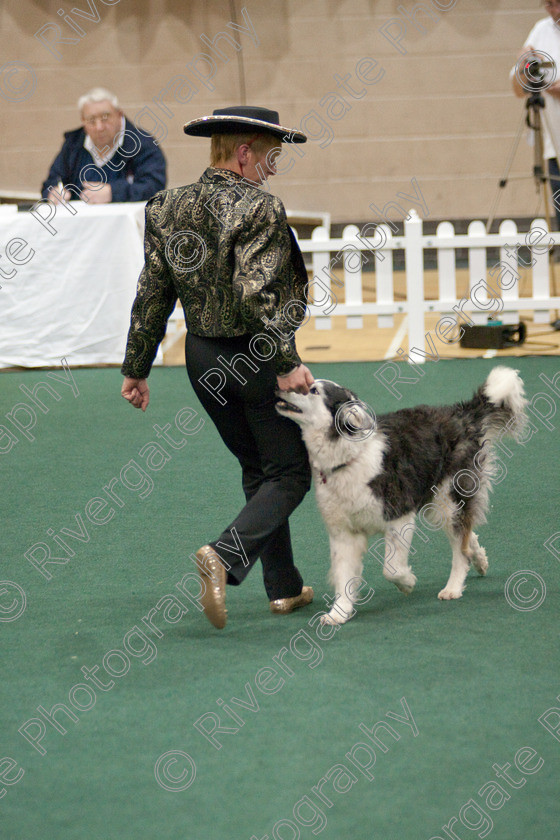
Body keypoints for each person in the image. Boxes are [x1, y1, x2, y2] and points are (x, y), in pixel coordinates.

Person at [120, 105, 315, 630]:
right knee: (292, 471)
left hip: (203, 359)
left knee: (260, 469)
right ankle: (225, 556)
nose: (272, 168)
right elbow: (258, 296)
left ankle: (285, 588)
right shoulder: (261, 208)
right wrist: (287, 362)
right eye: (270, 157)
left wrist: (136, 366)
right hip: (254, 356)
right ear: (244, 152)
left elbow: (152, 292)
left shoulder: (165, 205)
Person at [41, 87, 166, 203]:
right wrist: (53, 193)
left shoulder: (142, 143)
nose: (99, 127)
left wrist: (113, 193)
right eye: (91, 120)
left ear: (119, 115)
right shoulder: (73, 144)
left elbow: (154, 187)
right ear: (83, 121)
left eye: (105, 117)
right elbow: (51, 183)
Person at [512, 0, 560, 228]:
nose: (555, 11)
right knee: (558, 192)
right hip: (552, 131)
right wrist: (523, 63)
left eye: (559, 3)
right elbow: (518, 80)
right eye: (549, 5)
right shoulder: (541, 30)